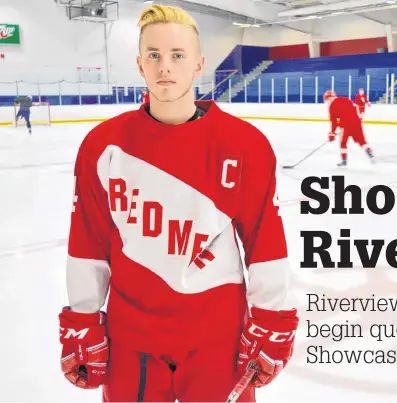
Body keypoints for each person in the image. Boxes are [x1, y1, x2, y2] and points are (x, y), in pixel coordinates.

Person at [58, 4, 298, 402]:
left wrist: (270, 316)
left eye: (177, 55)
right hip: (131, 343)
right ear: (139, 64)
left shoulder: (244, 146)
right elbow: (88, 242)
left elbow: (264, 242)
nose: (164, 66)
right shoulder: (104, 147)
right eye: (154, 55)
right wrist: (83, 317)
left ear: (199, 65)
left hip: (217, 342)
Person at [324, 90, 374, 167]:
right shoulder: (346, 99)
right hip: (357, 123)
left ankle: (344, 160)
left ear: (330, 98)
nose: (327, 101)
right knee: (361, 140)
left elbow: (334, 121)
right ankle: (368, 150)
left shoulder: (332, 106)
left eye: (327, 99)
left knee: (343, 142)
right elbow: (354, 109)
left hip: (346, 126)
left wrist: (332, 133)